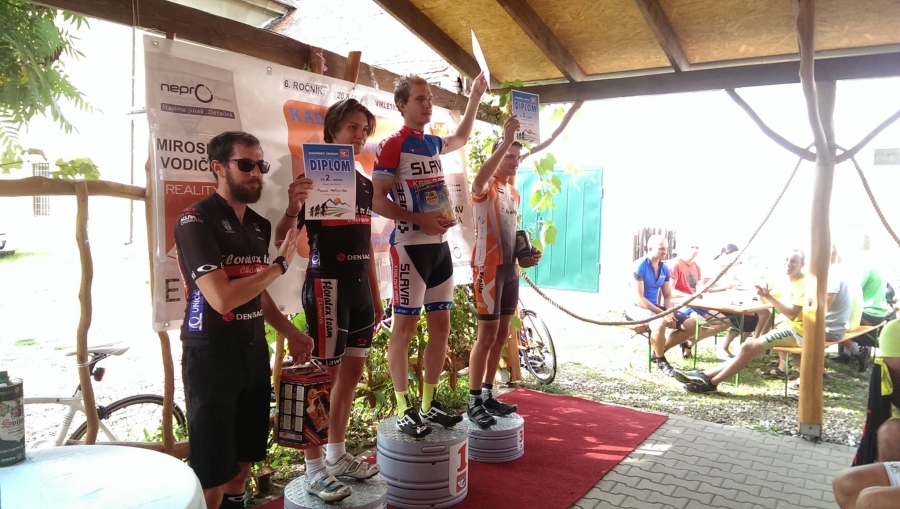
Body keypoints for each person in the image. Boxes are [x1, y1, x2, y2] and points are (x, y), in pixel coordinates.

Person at [174, 131, 314, 509]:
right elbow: (222, 298)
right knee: (212, 476)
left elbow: (255, 290)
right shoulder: (195, 220)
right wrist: (278, 266)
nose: (256, 173)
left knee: (242, 465)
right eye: (246, 164)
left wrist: (291, 332)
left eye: (260, 165)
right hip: (211, 354)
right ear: (218, 168)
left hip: (253, 351)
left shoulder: (257, 224)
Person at [274, 99, 383, 502]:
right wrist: (292, 206)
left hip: (359, 291)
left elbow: (366, 244)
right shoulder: (312, 180)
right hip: (327, 288)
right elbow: (282, 236)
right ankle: (314, 470)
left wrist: (376, 295)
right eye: (353, 127)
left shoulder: (364, 183)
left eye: (365, 130)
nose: (360, 135)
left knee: (350, 378)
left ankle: (336, 456)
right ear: (333, 130)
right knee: (322, 381)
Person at [372, 72, 488, 438]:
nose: (428, 104)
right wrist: (419, 219)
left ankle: (428, 403)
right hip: (409, 248)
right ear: (401, 105)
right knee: (404, 329)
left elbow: (462, 137)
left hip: (439, 249)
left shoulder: (432, 143)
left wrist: (474, 97)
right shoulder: (392, 144)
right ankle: (404, 407)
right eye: (419, 99)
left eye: (430, 98)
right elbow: (376, 200)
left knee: (441, 327)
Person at [674, 247, 853, 393]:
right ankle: (704, 377)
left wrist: (769, 297)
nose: (788, 263)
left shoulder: (804, 283)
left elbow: (792, 314)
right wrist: (761, 293)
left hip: (800, 332)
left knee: (748, 347)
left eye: (793, 261)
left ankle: (709, 382)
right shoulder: (786, 281)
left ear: (802, 265)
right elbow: (765, 303)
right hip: (789, 328)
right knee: (747, 348)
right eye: (787, 260)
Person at [466, 117, 541, 428]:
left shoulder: (513, 193)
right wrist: (506, 139)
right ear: (497, 156)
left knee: (501, 334)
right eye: (508, 155)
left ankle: (487, 394)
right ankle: (473, 401)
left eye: (517, 157)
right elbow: (477, 181)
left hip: (509, 269)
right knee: (485, 336)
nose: (514, 161)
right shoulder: (486, 187)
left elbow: (510, 234)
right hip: (487, 268)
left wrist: (527, 256)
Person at [837, 235, 898, 371]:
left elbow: (852, 290)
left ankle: (858, 350)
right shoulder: (876, 265)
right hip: (879, 312)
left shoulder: (865, 267)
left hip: (869, 313)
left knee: (833, 323)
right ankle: (847, 354)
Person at [627, 235, 678, 376]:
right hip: (637, 308)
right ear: (650, 248)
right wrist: (663, 314)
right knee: (660, 323)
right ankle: (661, 361)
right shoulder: (639, 266)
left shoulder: (664, 268)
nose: (664, 251)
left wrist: (670, 311)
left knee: (690, 323)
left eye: (666, 248)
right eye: (661, 248)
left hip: (654, 308)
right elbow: (640, 300)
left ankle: (657, 351)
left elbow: (667, 295)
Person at [668, 242, 729, 359]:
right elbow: (670, 291)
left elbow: (699, 287)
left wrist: (703, 292)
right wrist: (690, 296)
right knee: (703, 324)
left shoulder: (696, 266)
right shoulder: (675, 264)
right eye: (691, 247)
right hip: (680, 304)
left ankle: (688, 344)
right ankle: (670, 346)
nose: (695, 250)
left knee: (724, 322)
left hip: (695, 303)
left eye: (697, 247)